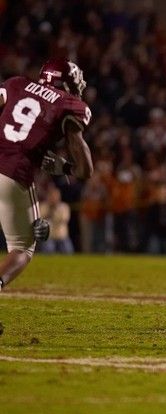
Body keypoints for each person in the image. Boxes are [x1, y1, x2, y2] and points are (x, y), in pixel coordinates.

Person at [0, 58, 93, 290]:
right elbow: (85, 170)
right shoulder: (68, 104)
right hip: (13, 172)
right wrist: (69, 168)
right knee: (22, 248)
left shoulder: (16, 84)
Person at [38, 184, 74, 254]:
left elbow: (64, 219)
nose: (54, 198)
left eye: (56, 196)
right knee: (48, 250)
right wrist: (50, 209)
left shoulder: (64, 207)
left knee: (69, 252)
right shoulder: (43, 206)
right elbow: (41, 220)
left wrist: (54, 210)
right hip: (49, 237)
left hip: (62, 236)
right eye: (52, 196)